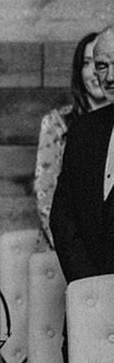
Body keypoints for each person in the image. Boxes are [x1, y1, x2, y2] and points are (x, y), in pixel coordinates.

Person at [34, 30, 110, 249]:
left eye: (102, 63)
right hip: (64, 250)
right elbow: (46, 196)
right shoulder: (58, 123)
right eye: (88, 63)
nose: (95, 72)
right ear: (79, 70)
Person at [50, 24, 114, 283]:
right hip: (89, 296)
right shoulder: (83, 130)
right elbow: (63, 216)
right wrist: (89, 285)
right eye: (102, 65)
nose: (110, 77)